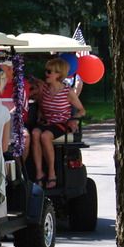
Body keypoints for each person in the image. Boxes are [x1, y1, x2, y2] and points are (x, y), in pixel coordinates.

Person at [29, 57, 85, 189]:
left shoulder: (67, 92)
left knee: (45, 136)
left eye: (49, 71)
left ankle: (52, 173)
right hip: (46, 123)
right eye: (46, 71)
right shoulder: (45, 90)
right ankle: (39, 173)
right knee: (35, 133)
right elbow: (31, 96)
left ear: (58, 74)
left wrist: (74, 120)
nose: (46, 74)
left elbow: (82, 110)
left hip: (61, 123)